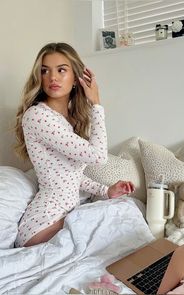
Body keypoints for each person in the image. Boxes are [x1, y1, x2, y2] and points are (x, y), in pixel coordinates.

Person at [14, 42, 135, 247]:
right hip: (42, 224)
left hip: (63, 217)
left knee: (125, 210)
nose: (52, 77)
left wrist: (106, 191)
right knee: (122, 216)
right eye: (45, 71)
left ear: (75, 79)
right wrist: (96, 103)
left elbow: (70, 176)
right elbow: (98, 156)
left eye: (61, 70)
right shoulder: (38, 116)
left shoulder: (67, 119)